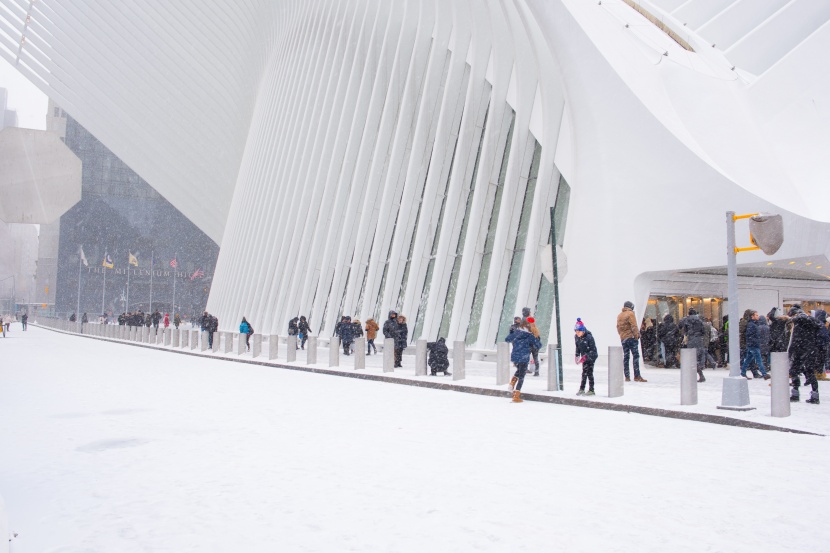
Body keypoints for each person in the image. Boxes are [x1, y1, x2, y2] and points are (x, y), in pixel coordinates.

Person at [788, 305, 821, 404]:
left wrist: (790, 352)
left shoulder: (798, 323)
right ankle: (815, 395)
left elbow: (795, 339)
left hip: (800, 350)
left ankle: (795, 393)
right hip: (811, 349)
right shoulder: (812, 321)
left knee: (794, 370)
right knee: (810, 371)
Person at [505, 320, 542, 403]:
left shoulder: (516, 333)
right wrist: (532, 343)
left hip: (515, 356)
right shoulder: (529, 336)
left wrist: (514, 338)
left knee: (519, 370)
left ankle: (512, 383)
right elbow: (539, 345)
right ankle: (516, 395)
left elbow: (507, 339)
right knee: (522, 375)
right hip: (524, 357)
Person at [616, 301, 645, 382]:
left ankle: (627, 376)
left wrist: (622, 335)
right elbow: (634, 326)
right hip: (631, 337)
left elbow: (618, 327)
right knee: (635, 356)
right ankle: (637, 375)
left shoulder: (620, 315)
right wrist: (636, 336)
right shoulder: (630, 314)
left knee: (626, 357)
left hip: (623, 338)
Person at [679, 308, 708, 382]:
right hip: (699, 340)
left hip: (691, 340)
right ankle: (700, 373)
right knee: (697, 358)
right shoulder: (699, 320)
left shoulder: (686, 319)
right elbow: (703, 331)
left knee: (692, 359)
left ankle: (698, 375)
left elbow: (680, 326)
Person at [740, 311, 769, 379]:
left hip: (752, 345)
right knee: (758, 359)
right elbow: (750, 336)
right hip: (754, 345)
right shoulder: (752, 325)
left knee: (748, 359)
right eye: (756, 315)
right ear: (752, 316)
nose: (757, 316)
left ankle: (743, 372)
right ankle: (764, 374)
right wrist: (754, 342)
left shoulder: (753, 324)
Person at [573, 318, 599, 396]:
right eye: (576, 331)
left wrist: (586, 356)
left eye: (579, 331)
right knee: (584, 372)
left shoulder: (589, 337)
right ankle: (582, 389)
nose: (577, 333)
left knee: (589, 372)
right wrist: (577, 355)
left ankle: (591, 390)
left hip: (591, 356)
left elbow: (593, 350)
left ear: (583, 331)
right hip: (584, 356)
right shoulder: (576, 337)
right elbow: (577, 347)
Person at [521, 307, 541, 376]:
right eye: (529, 312)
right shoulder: (530, 321)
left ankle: (525, 370)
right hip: (534, 343)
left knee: (526, 357)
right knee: (535, 357)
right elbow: (537, 334)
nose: (530, 313)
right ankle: (536, 371)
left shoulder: (524, 320)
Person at [814, 309, 829, 381]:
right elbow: (823, 336)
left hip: (818, 346)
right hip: (821, 346)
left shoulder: (817, 323)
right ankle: (819, 374)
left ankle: (818, 374)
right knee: (820, 360)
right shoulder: (821, 325)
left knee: (819, 360)